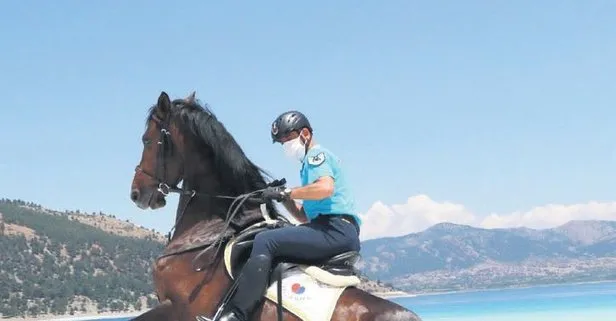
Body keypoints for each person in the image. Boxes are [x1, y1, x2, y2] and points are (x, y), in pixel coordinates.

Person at [214, 110, 362, 321]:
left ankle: (238, 315)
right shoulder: (307, 166)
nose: (285, 145)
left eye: (288, 139)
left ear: (305, 134)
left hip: (335, 229)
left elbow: (325, 188)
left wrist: (288, 192)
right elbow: (303, 217)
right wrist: (284, 199)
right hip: (328, 228)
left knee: (265, 240)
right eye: (281, 142)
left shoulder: (316, 156)